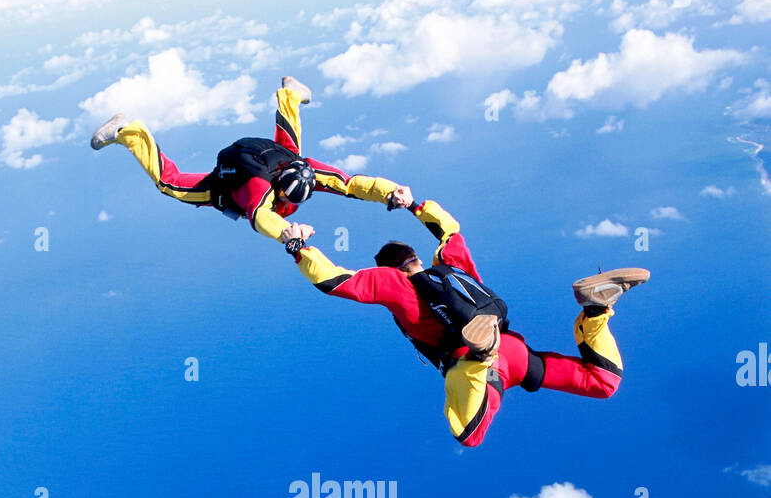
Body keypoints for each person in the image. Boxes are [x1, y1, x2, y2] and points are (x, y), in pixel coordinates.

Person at [279, 199, 649, 447]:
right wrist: (413, 204)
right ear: (415, 256)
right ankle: (595, 313)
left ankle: (482, 353)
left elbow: (335, 281)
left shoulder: (395, 284)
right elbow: (450, 230)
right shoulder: (452, 266)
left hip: (472, 361)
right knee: (604, 383)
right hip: (518, 353)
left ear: (389, 266)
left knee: (469, 435)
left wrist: (298, 248)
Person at [90, 76, 410, 241]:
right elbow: (261, 217)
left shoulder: (306, 170)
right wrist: (286, 232)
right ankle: (129, 130)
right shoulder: (260, 191)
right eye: (283, 194)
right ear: (279, 187)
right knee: (169, 184)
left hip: (274, 158)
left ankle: (291, 93)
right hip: (229, 181)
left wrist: (390, 191)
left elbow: (352, 184)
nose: (285, 199)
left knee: (291, 146)